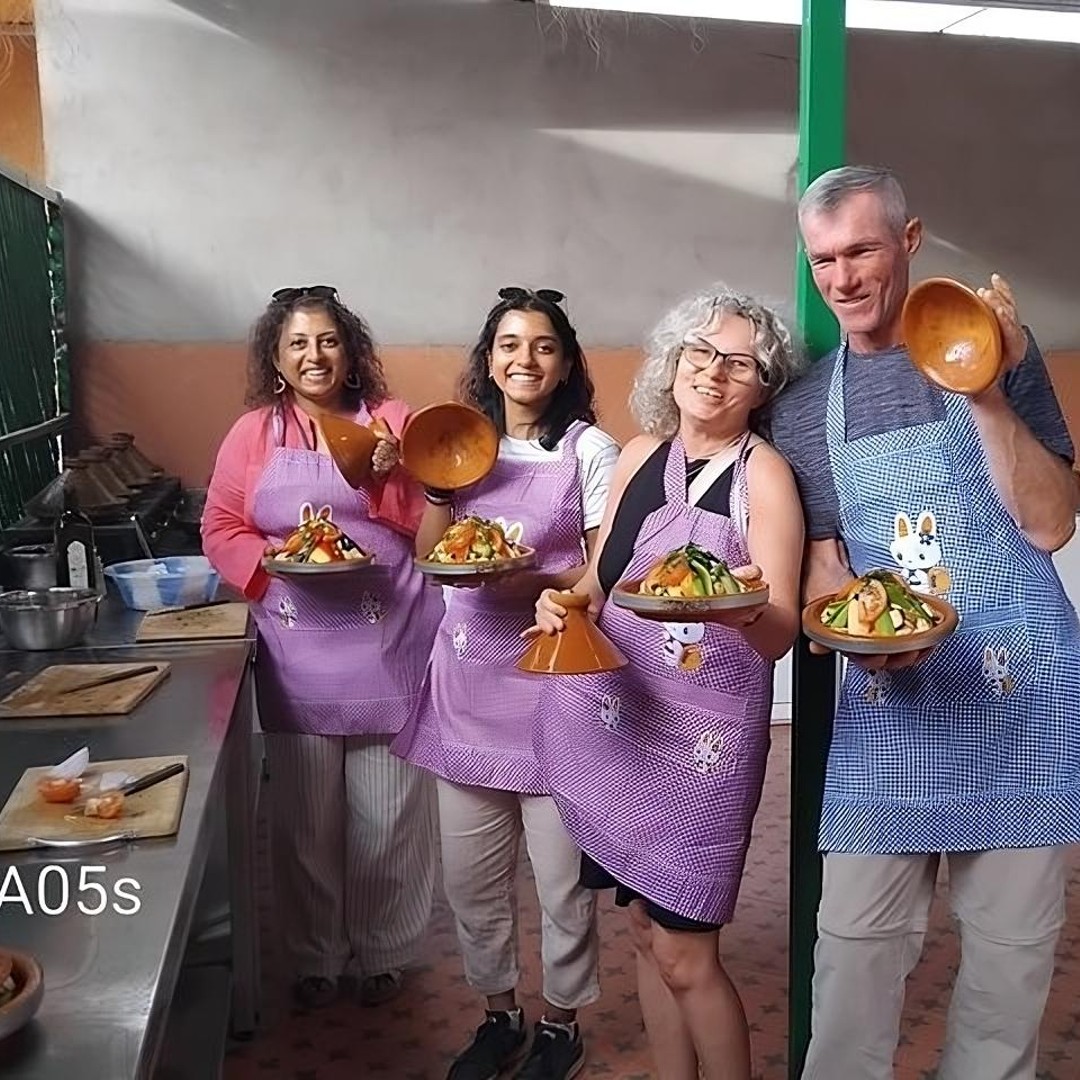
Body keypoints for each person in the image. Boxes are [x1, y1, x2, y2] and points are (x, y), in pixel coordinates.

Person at [767, 165, 1080, 1080]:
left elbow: (1052, 521)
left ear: (908, 241)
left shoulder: (1005, 358)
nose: (843, 278)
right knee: (853, 951)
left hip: (1022, 687)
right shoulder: (802, 408)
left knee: (1010, 963)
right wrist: (855, 636)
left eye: (861, 249)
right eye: (823, 258)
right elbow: (827, 566)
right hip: (892, 698)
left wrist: (984, 385)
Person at [531, 285, 805, 1080]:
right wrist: (565, 595)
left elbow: (781, 630)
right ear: (675, 360)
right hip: (617, 729)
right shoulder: (643, 453)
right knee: (646, 935)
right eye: (700, 353)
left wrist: (737, 611)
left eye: (739, 364)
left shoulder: (766, 478)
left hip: (699, 753)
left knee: (688, 956)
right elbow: (601, 569)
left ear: (764, 386)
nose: (714, 374)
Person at [392, 286, 618, 1080]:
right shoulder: (460, 443)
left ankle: (561, 1023)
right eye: (510, 345)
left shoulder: (590, 451)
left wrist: (538, 579)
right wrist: (434, 493)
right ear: (489, 360)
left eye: (544, 346)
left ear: (564, 364)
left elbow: (604, 566)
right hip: (465, 687)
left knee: (562, 884)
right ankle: (498, 1014)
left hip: (549, 685)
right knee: (472, 882)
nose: (526, 359)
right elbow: (432, 554)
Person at [202, 286, 441, 1010]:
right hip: (296, 646)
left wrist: (389, 475)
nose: (315, 355)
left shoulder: (391, 422)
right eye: (299, 343)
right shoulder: (253, 434)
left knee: (388, 812)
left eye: (328, 340)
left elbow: (431, 527)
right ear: (277, 359)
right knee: (306, 818)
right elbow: (221, 524)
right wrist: (266, 578)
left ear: (351, 351)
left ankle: (385, 952)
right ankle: (314, 957)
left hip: (388, 635)